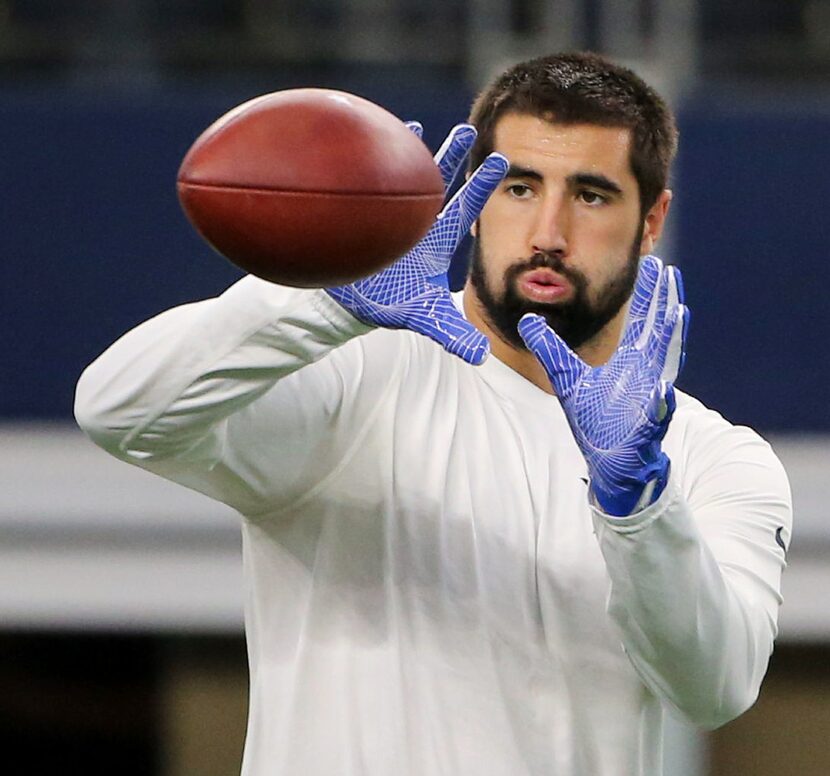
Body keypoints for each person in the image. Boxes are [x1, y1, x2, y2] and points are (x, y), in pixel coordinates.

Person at [74, 52, 792, 776]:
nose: (548, 230)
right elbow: (119, 411)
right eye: (517, 186)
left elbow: (714, 689)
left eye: (592, 195)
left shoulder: (710, 458)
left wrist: (640, 507)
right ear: (473, 204)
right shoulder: (353, 371)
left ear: (652, 219)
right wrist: (319, 304)